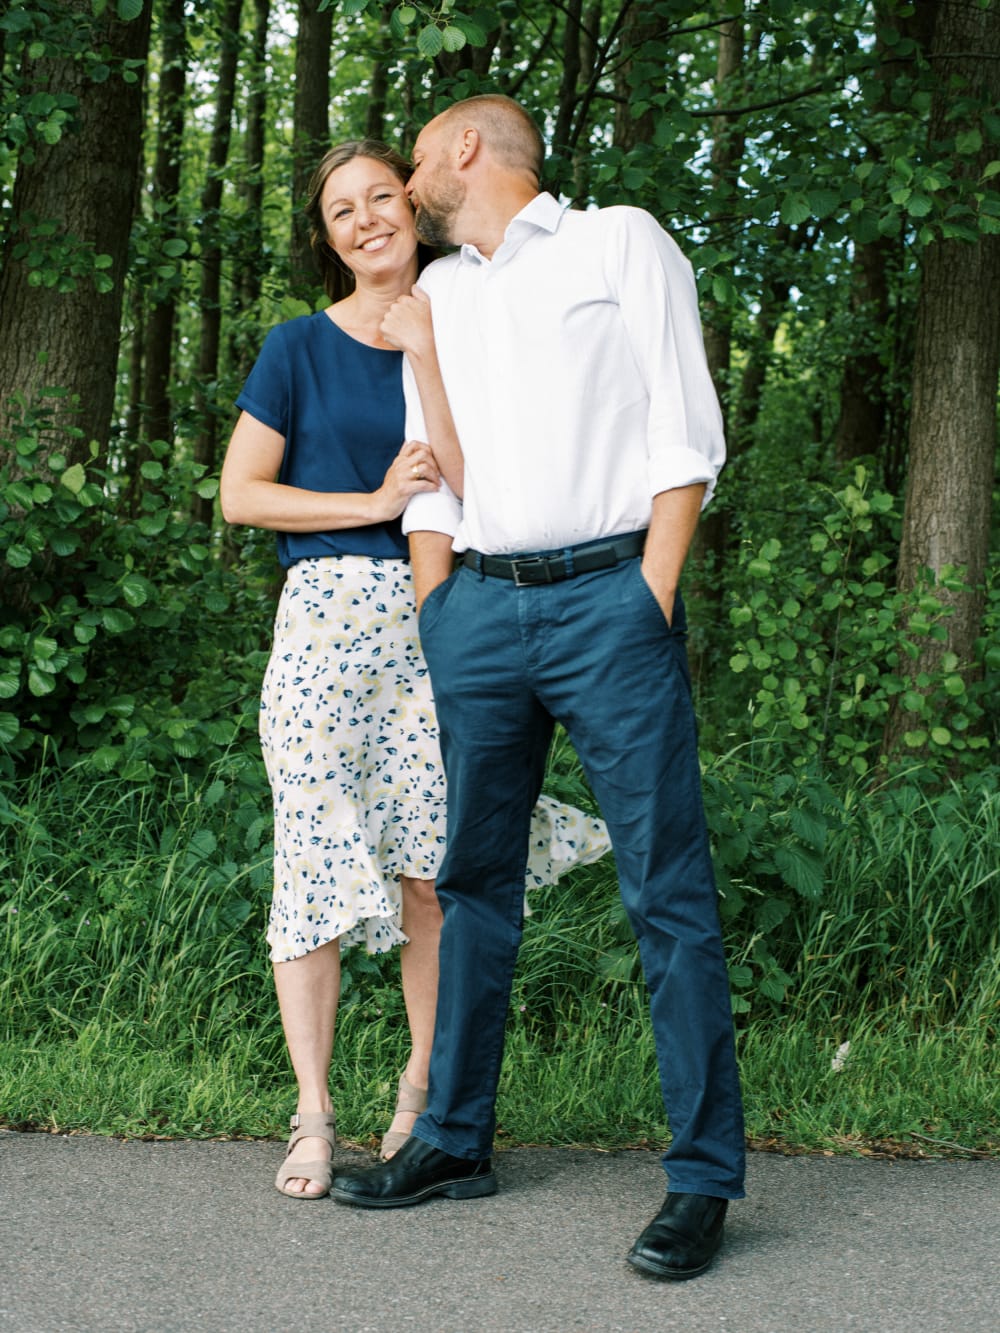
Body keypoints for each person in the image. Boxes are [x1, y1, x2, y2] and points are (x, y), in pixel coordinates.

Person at [330, 96, 746, 1281]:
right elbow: (434, 473)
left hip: (609, 601)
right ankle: (454, 1139)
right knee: (470, 880)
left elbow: (685, 431)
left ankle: (703, 1177)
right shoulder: (442, 297)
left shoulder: (619, 241)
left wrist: (648, 595)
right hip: (479, 612)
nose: (403, 182)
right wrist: (438, 605)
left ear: (468, 147)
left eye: (413, 159)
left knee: (664, 884)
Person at [220, 138, 609, 1200]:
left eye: (380, 197)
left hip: (442, 616)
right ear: (329, 236)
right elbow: (242, 495)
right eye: (340, 210)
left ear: (413, 204)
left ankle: (419, 1101)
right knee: (310, 862)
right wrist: (371, 504)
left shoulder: (475, 323)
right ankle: (311, 1114)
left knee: (433, 873)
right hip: (324, 621)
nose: (363, 221)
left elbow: (487, 486)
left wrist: (427, 350)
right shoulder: (296, 346)